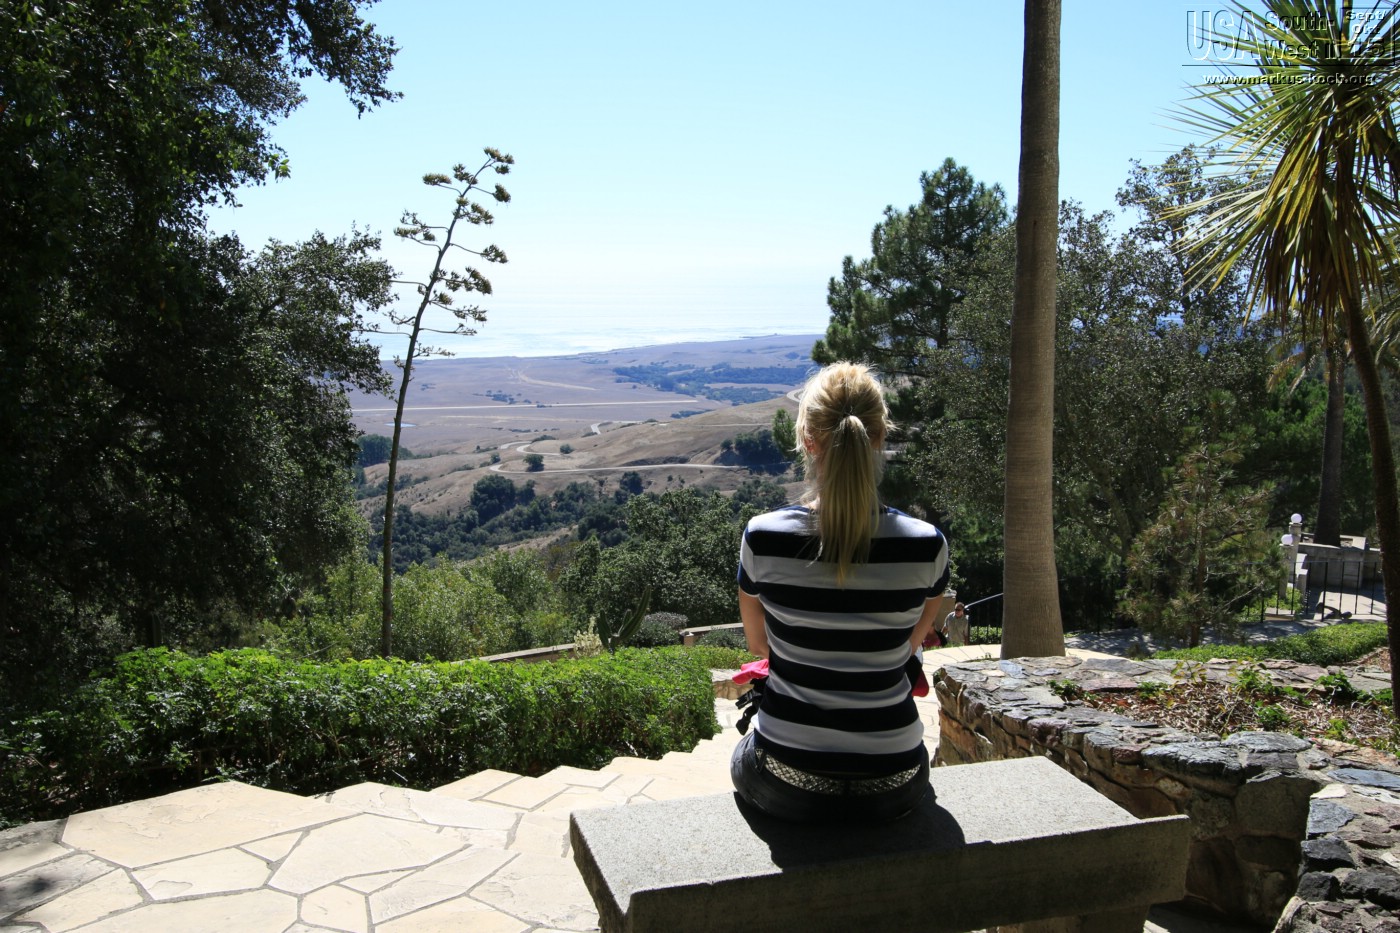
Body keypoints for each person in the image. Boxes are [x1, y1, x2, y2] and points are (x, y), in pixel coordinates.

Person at [730, 362, 950, 823]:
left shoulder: (763, 537)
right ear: (879, 437)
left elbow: (759, 645)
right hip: (896, 778)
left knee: (743, 751)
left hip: (787, 778)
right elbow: (909, 645)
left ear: (807, 440)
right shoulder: (927, 545)